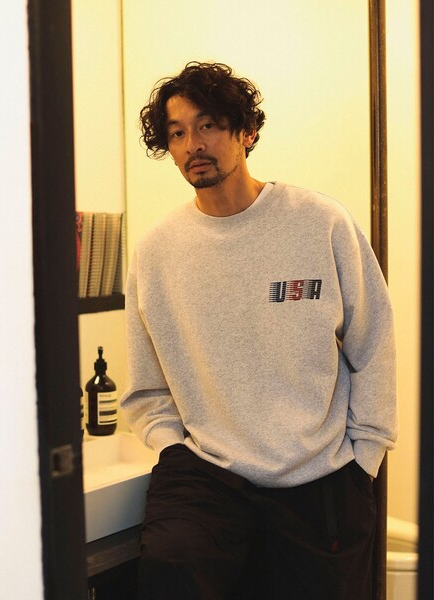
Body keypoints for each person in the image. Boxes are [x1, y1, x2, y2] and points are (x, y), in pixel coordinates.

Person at [120, 61, 398, 599]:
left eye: (208, 125)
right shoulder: (156, 251)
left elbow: (374, 343)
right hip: (206, 476)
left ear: (245, 131)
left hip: (320, 478)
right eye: (176, 133)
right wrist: (169, 445)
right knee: (169, 570)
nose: (193, 145)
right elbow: (146, 384)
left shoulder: (320, 222)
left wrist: (366, 455)